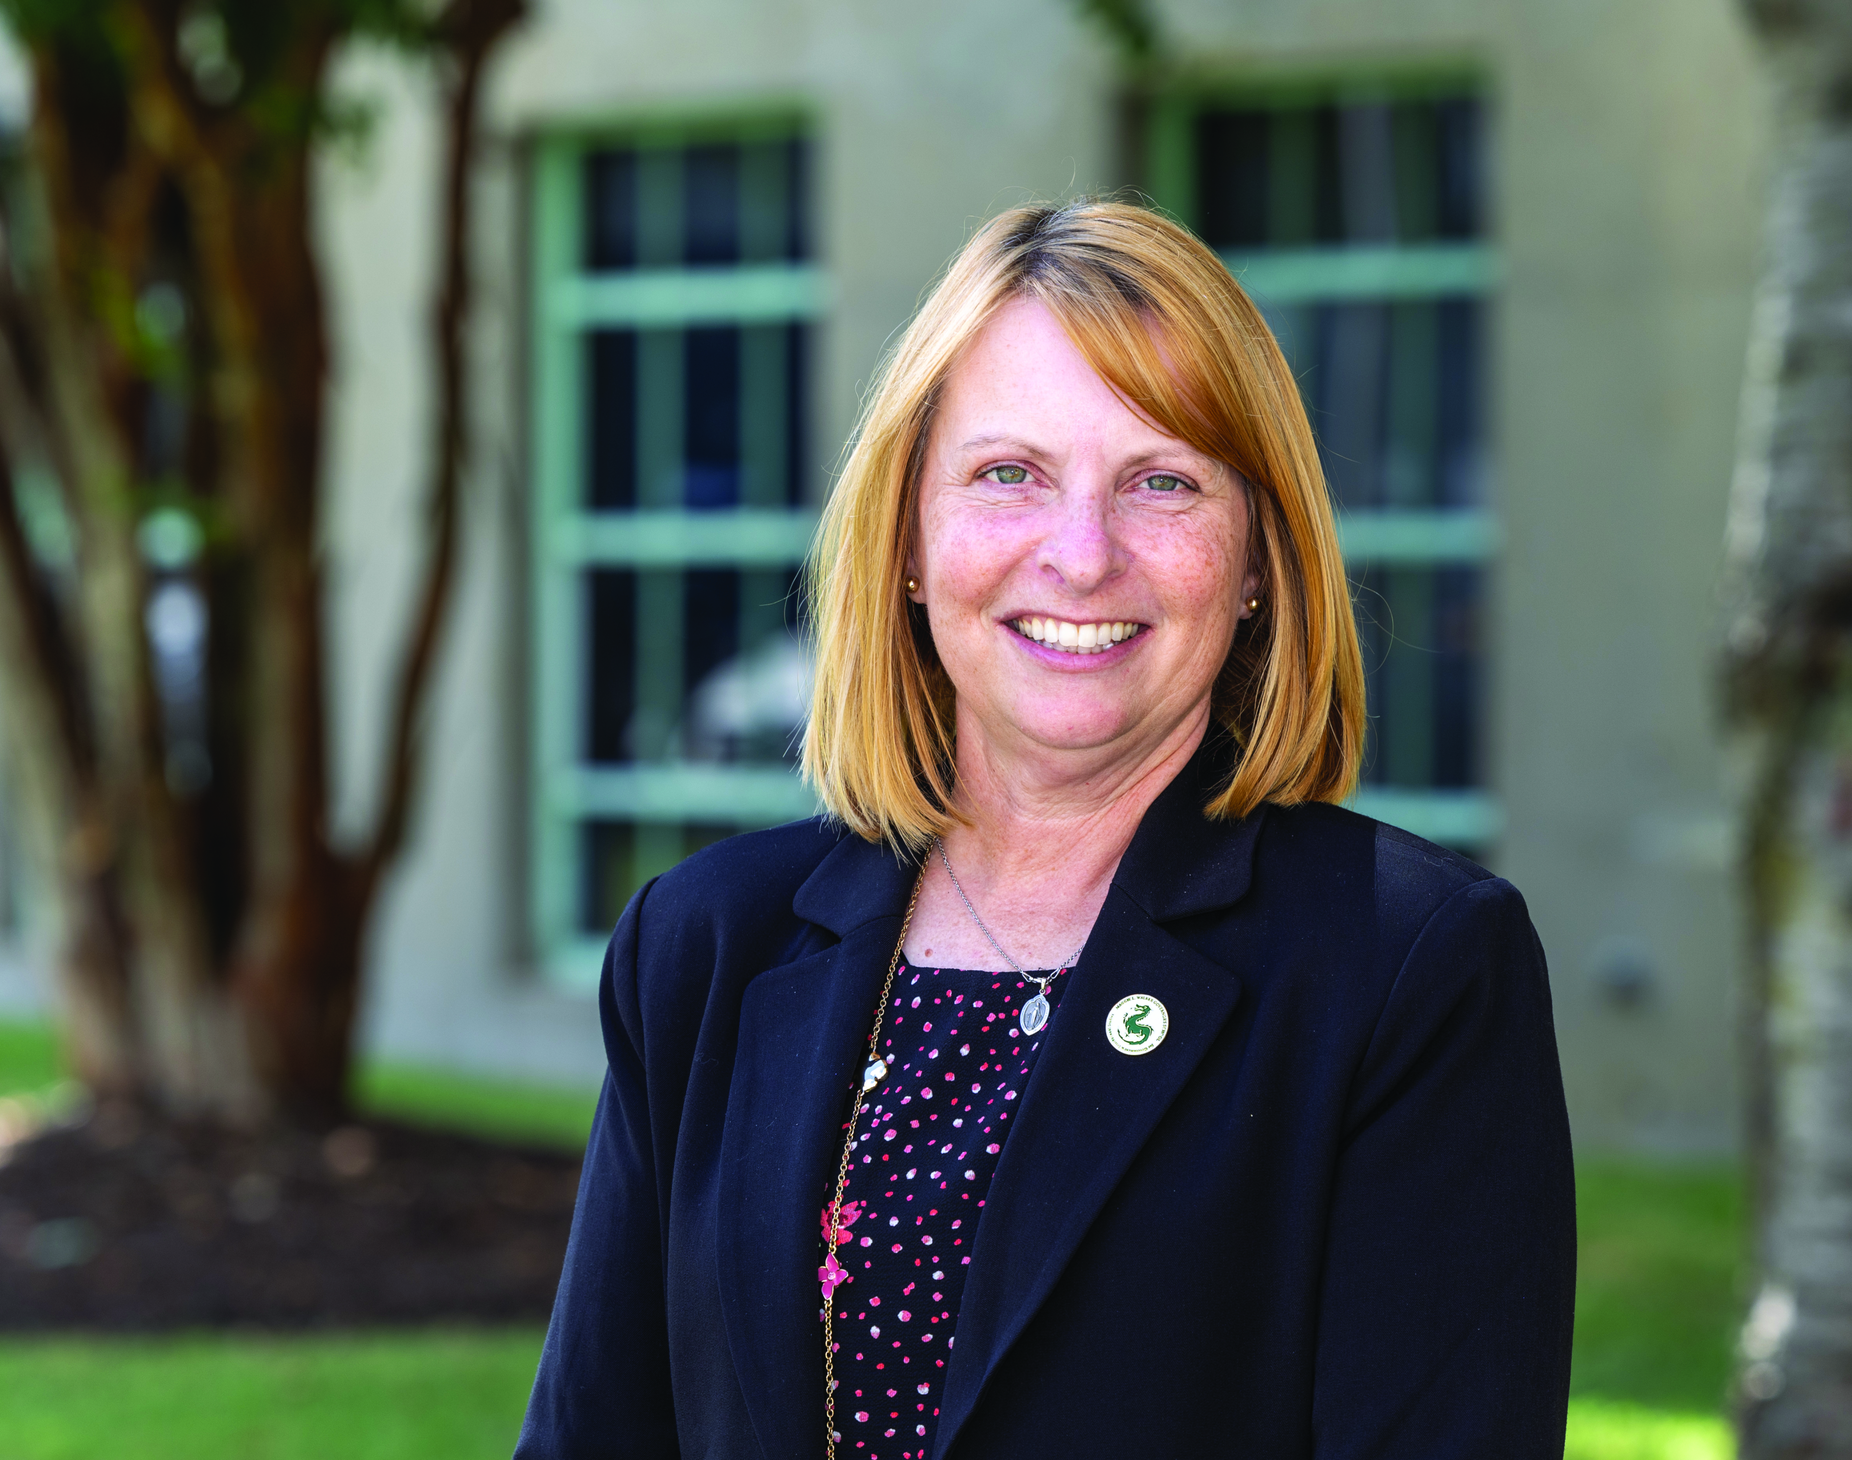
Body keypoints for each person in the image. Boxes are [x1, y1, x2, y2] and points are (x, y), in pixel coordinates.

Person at [515, 199, 1574, 1460]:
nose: (1079, 555)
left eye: (1162, 481)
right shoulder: (702, 946)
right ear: (908, 536)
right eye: (1007, 474)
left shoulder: (1408, 970)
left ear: (1254, 560)